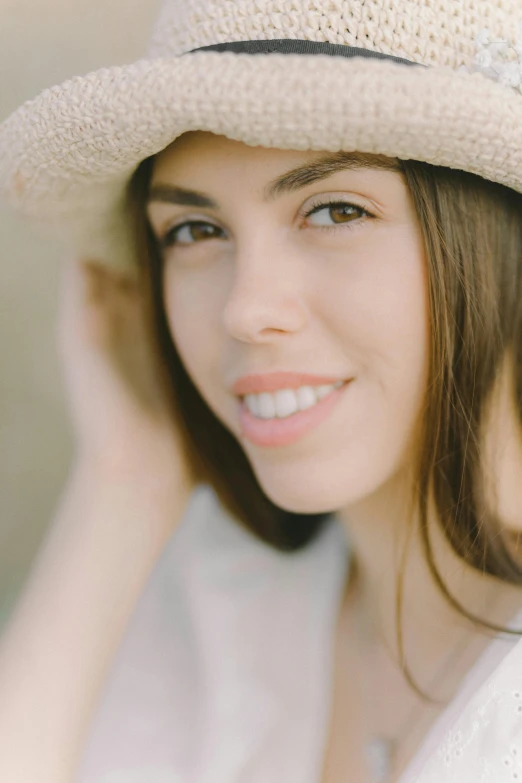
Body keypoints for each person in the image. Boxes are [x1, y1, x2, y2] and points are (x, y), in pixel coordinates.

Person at [0, 1, 521, 781]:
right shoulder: (217, 596)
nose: (246, 309)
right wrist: (123, 482)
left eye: (335, 209)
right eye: (194, 232)